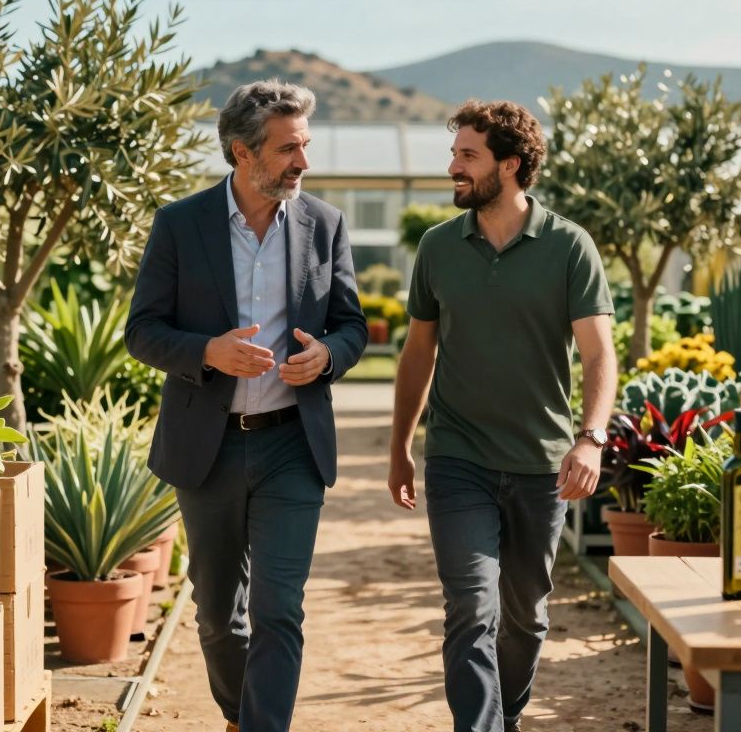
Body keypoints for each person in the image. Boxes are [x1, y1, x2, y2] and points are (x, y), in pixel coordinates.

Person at [125, 79, 367, 732]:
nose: (303, 163)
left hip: (293, 444)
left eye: (305, 146)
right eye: (290, 148)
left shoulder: (325, 225)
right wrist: (208, 351)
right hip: (210, 448)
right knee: (214, 613)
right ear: (242, 151)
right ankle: (239, 716)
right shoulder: (180, 226)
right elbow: (141, 331)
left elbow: (353, 326)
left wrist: (329, 355)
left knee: (279, 609)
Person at [387, 99, 617, 732]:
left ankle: (506, 715)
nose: (454, 168)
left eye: (468, 156)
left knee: (525, 614)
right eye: (454, 153)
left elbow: (599, 354)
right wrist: (400, 445)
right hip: (458, 457)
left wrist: (591, 440)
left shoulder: (569, 246)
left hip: (541, 463)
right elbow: (417, 353)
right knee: (469, 605)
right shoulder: (438, 247)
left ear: (510, 165)